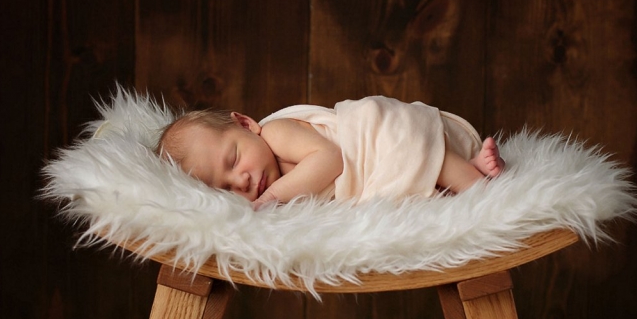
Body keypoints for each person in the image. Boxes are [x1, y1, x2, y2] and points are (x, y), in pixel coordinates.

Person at [155, 95, 504, 209]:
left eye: (233, 160)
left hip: (376, 137)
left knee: (416, 154)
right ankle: (470, 167)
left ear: (246, 125)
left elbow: (330, 159)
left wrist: (275, 194)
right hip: (373, 173)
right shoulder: (268, 198)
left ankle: (482, 190)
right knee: (418, 190)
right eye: (227, 188)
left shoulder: (276, 133)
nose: (241, 180)